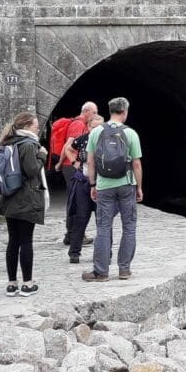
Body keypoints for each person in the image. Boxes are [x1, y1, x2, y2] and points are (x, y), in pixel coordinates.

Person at [82, 97, 143, 283]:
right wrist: (139, 187)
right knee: (129, 227)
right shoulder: (131, 133)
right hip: (126, 185)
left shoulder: (96, 132)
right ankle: (124, 269)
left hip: (104, 186)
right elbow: (137, 163)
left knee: (103, 228)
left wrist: (93, 184)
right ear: (124, 111)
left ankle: (101, 272)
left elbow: (90, 161)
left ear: (109, 111)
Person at [0, 111, 47, 296]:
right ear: (26, 127)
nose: (38, 127)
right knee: (26, 241)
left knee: (13, 241)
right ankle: (27, 283)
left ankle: (11, 284)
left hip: (9, 197)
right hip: (26, 198)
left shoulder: (8, 142)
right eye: (35, 124)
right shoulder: (29, 144)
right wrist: (42, 155)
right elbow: (32, 170)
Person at [66, 113, 104, 264]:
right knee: (81, 218)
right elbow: (68, 148)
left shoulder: (107, 140)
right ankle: (74, 252)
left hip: (102, 185)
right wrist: (75, 162)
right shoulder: (82, 139)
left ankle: (105, 252)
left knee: (102, 220)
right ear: (88, 126)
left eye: (100, 128)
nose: (96, 131)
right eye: (93, 127)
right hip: (84, 183)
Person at [61, 101, 97, 251]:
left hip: (86, 177)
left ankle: (74, 242)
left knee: (80, 210)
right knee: (78, 209)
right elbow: (68, 146)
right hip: (81, 176)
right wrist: (73, 162)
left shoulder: (85, 129)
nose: (95, 115)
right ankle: (72, 238)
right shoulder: (78, 125)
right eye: (94, 112)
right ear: (87, 112)